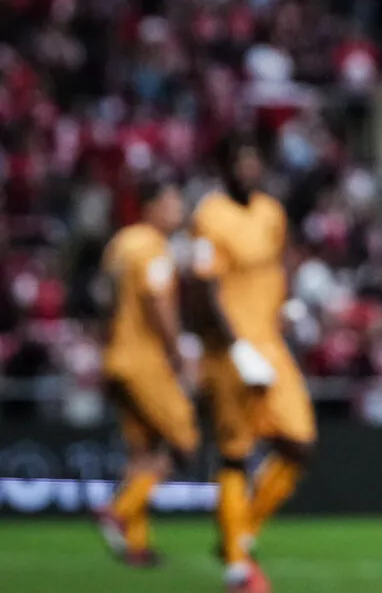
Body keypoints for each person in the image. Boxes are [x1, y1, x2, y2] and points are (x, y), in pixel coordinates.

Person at [193, 135, 317, 593]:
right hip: (231, 350)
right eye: (239, 162)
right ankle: (237, 563)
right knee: (235, 452)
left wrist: (287, 307)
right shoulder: (210, 215)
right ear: (224, 168)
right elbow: (206, 289)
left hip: (270, 342)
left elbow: (279, 264)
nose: (248, 170)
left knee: (299, 443)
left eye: (253, 162)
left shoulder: (270, 211)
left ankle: (241, 530)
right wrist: (236, 345)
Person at [95, 178, 198, 567]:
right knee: (183, 440)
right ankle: (119, 510)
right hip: (144, 361)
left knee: (144, 450)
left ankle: (136, 544)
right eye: (172, 203)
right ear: (151, 207)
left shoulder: (120, 244)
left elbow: (104, 301)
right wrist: (178, 352)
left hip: (117, 357)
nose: (178, 210)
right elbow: (157, 301)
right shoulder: (153, 246)